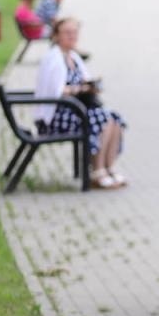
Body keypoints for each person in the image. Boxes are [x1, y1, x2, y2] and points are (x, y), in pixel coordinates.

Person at [34, 17, 128, 189]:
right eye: (67, 33)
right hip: (57, 114)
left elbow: (85, 81)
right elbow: (56, 91)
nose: (72, 36)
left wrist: (91, 87)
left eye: (74, 32)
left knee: (113, 119)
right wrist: (79, 89)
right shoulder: (53, 58)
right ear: (56, 36)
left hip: (75, 110)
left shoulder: (74, 57)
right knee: (103, 120)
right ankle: (97, 171)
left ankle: (108, 167)